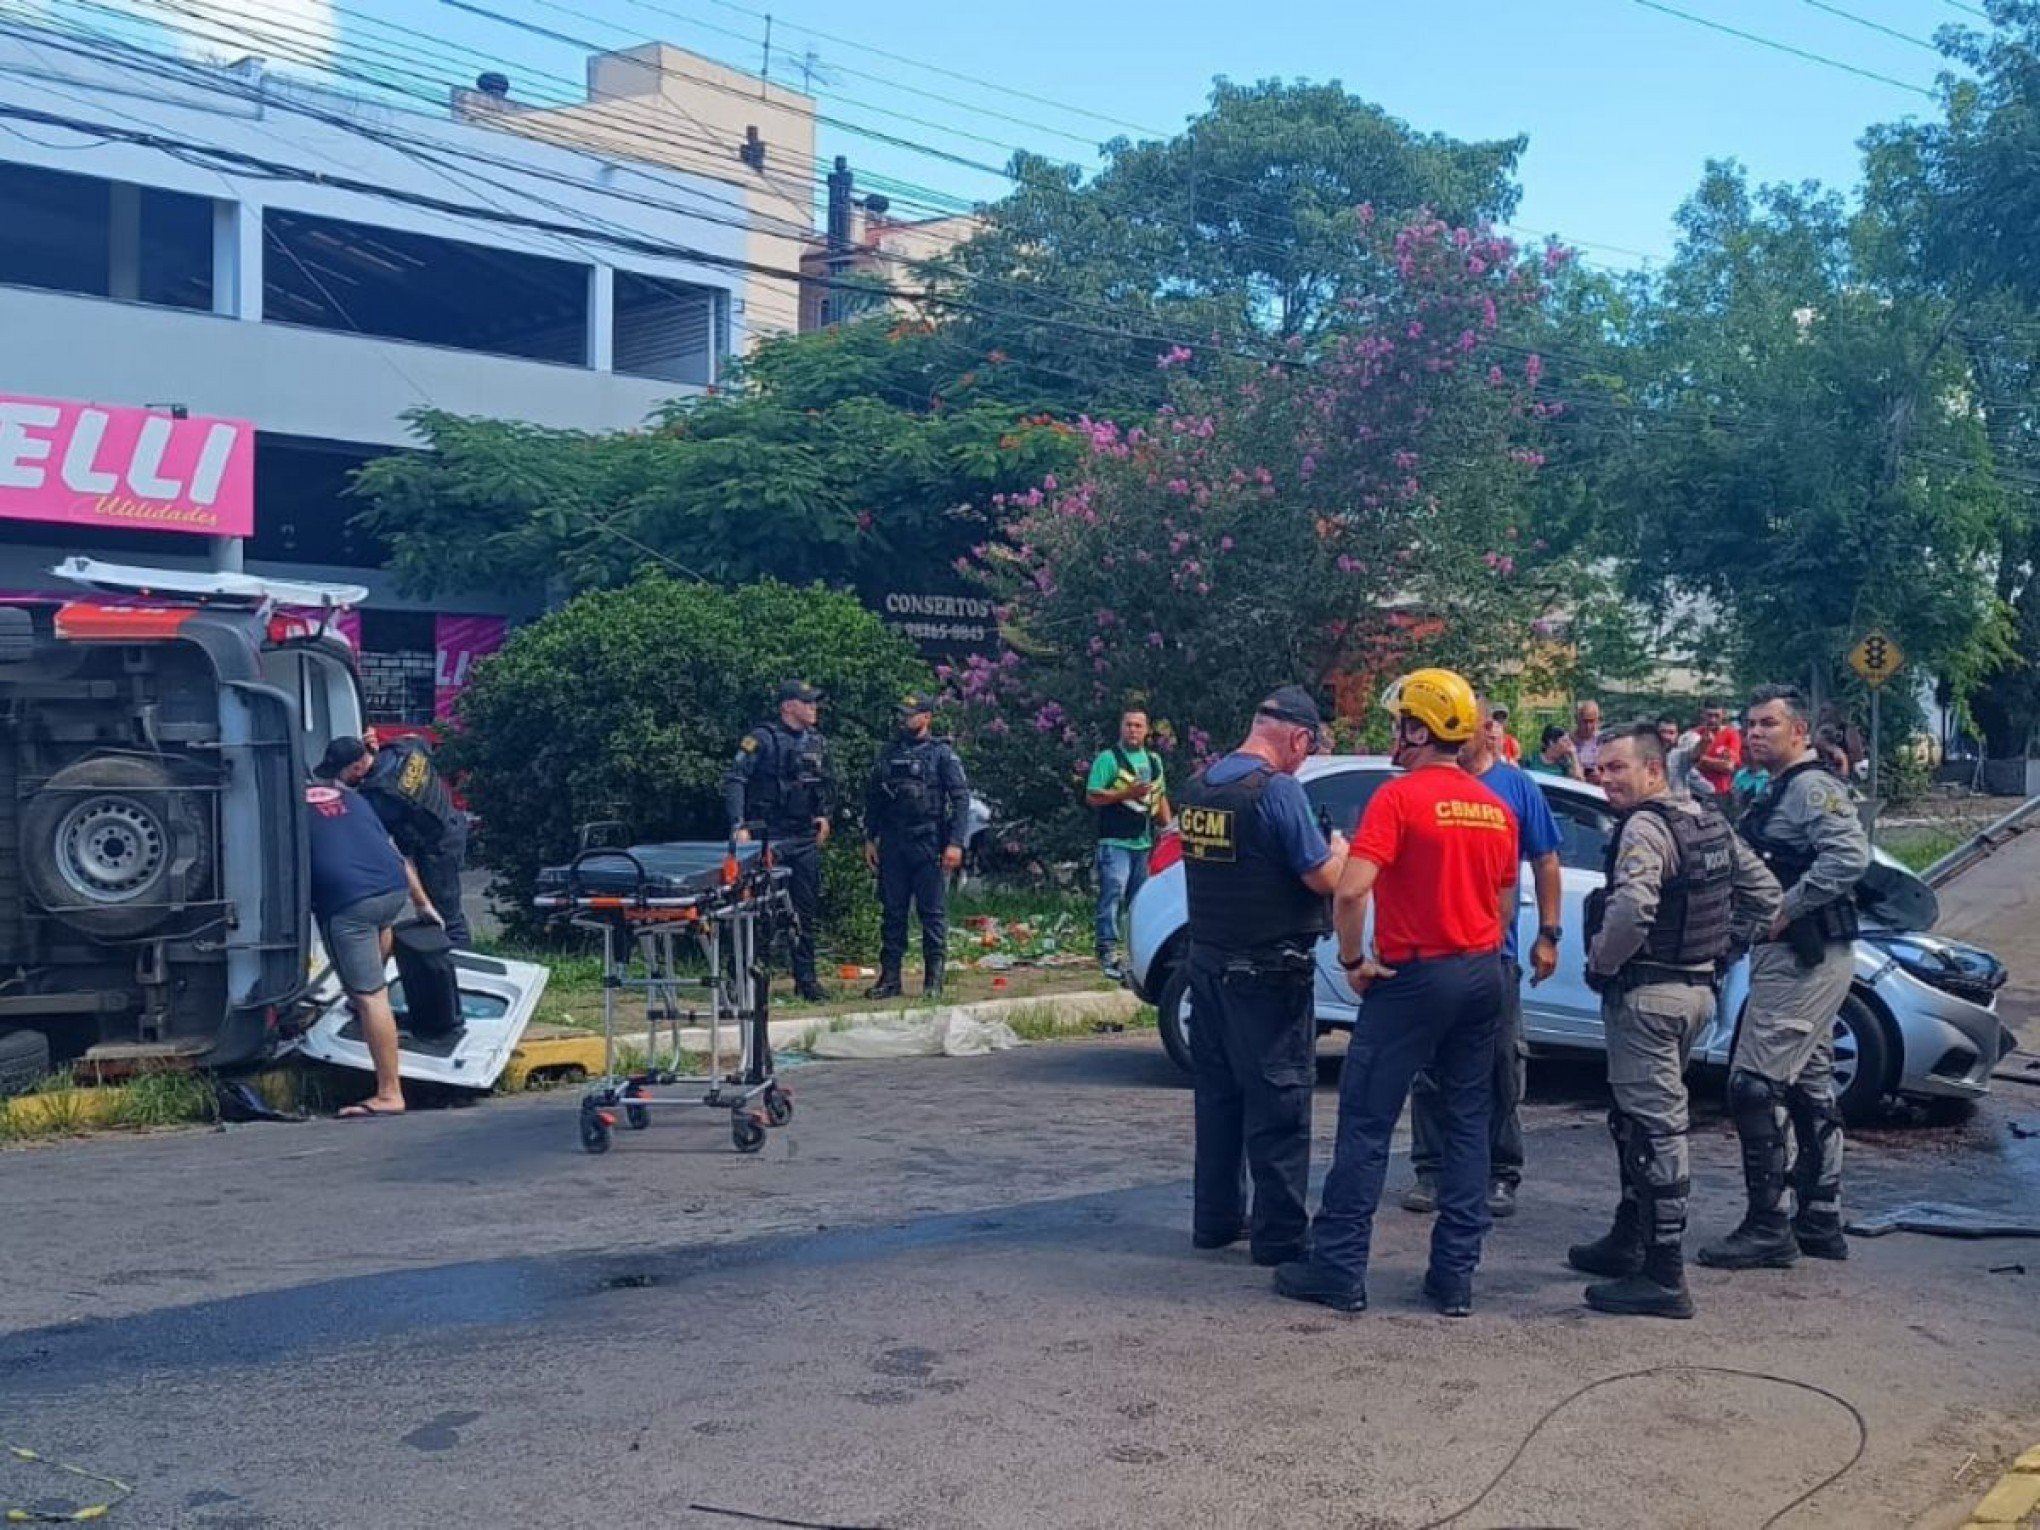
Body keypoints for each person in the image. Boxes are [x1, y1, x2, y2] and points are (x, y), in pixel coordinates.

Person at [1275, 668, 1515, 1319]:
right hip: (1480, 972)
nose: (1392, 734)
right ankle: (1454, 1277)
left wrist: (1354, 959)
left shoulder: (1399, 798)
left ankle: (1340, 1267)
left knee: (1368, 1120)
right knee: (1467, 1123)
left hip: (1414, 977)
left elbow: (1351, 889)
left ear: (1422, 728)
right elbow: (1503, 901)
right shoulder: (1495, 806)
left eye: (1400, 721)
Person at [1570, 725, 1781, 1318]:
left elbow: (1634, 907)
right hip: (1695, 995)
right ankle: (1629, 1238)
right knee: (1635, 1120)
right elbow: (1766, 894)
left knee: (1657, 1130)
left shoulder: (1645, 826)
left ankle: (1664, 1275)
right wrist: (1725, 949)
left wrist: (1600, 963)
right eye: (1600, 768)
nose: (1604, 779)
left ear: (1654, 770)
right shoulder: (1709, 821)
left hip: (1648, 994)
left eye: (1617, 769)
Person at [1699, 684, 1871, 1271]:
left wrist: (1785, 908)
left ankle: (1768, 1225)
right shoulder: (1777, 790)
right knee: (1810, 1083)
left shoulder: (1813, 788)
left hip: (1805, 954)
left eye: (1767, 724)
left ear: (1798, 731)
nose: (1753, 733)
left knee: (1753, 1084)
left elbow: (1849, 858)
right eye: (1749, 724)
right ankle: (1820, 1217)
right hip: (1791, 954)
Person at [1178, 686, 1348, 1266]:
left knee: (1219, 1101)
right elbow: (1322, 877)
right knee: (1279, 1105)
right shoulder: (1276, 791)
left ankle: (1216, 1221)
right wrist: (1344, 849)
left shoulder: (1202, 785)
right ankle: (1279, 1239)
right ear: (1297, 738)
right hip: (1268, 977)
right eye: (1308, 748)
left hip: (1206, 967)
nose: (1305, 760)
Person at [1401, 696, 1562, 1220]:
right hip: (1430, 955)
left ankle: (1501, 1172)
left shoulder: (1516, 788)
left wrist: (1549, 934)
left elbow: (1546, 860)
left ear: (1488, 729)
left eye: (1469, 724)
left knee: (1500, 1065)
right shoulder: (1418, 784)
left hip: (1496, 953)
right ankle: (1431, 1168)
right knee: (1429, 1066)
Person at [305, 778, 443, 1118]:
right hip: (391, 889)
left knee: (371, 998)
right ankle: (362, 1000)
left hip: (349, 902)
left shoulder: (282, 807)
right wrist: (423, 903)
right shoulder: (350, 797)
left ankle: (389, 1092)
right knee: (377, 931)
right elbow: (395, 853)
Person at [725, 681, 836, 1002]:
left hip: (803, 837)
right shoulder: (761, 739)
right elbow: (735, 779)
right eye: (807, 703)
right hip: (766, 838)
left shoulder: (816, 741)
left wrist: (824, 815)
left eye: (815, 703)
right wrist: (738, 825)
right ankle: (741, 980)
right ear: (788, 706)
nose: (814, 708)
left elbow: (822, 784)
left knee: (804, 911)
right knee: (758, 911)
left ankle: (807, 980)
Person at [863, 694, 971, 999]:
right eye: (902, 714)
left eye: (911, 714)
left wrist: (955, 844)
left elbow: (961, 800)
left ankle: (933, 980)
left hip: (929, 841)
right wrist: (870, 837)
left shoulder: (942, 755)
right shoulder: (889, 752)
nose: (904, 719)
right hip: (894, 841)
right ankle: (890, 978)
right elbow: (874, 797)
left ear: (926, 718)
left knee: (931, 913)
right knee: (892, 912)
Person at [318, 734, 470, 948]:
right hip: (450, 822)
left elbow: (391, 851)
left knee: (446, 914)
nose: (338, 781)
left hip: (438, 848)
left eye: (341, 774)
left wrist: (420, 902)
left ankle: (460, 964)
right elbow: (420, 741)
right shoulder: (402, 749)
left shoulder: (380, 797)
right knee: (445, 911)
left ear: (359, 766)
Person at [1085, 707, 1173, 981]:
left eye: (1138, 726)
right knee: (1113, 894)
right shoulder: (1109, 759)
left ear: (1146, 731)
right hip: (1115, 841)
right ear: (1120, 728)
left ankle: (1137, 948)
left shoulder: (1154, 761)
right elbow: (1093, 796)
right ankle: (1108, 949)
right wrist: (1127, 793)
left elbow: (1159, 797)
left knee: (1140, 899)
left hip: (1142, 842)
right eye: (1128, 725)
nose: (1133, 730)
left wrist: (1169, 829)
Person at [1694, 703, 1744, 797]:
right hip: (1696, 792)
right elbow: (1689, 765)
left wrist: (1701, 759)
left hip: (1721, 793)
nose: (1713, 720)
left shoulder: (1731, 734)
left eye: (1717, 716)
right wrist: (1718, 764)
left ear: (1723, 715)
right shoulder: (1694, 734)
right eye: (1709, 715)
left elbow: (1729, 766)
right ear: (1703, 714)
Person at [1571, 699, 1605, 783]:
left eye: (1592, 721)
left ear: (1597, 721)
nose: (1588, 726)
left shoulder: (1604, 741)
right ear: (1577, 720)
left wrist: (1601, 774)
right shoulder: (1568, 742)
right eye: (1585, 721)